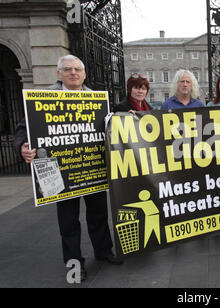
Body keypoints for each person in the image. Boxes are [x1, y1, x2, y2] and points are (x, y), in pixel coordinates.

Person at [14, 55, 122, 281]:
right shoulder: (43, 98)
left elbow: (110, 127)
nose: (73, 73)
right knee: (68, 222)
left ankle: (103, 252)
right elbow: (24, 130)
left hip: (93, 169)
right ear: (58, 74)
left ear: (84, 74)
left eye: (77, 70)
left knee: (99, 216)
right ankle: (74, 263)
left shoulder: (96, 99)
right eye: (68, 69)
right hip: (63, 173)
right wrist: (22, 147)